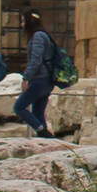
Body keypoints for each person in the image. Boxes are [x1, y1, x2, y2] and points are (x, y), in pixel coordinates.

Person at [15, 9, 58, 138]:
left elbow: (36, 60)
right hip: (47, 80)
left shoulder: (38, 36)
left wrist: (26, 78)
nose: (22, 25)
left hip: (40, 79)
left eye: (23, 21)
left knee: (19, 107)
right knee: (38, 112)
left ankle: (43, 132)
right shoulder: (45, 35)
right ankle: (46, 139)